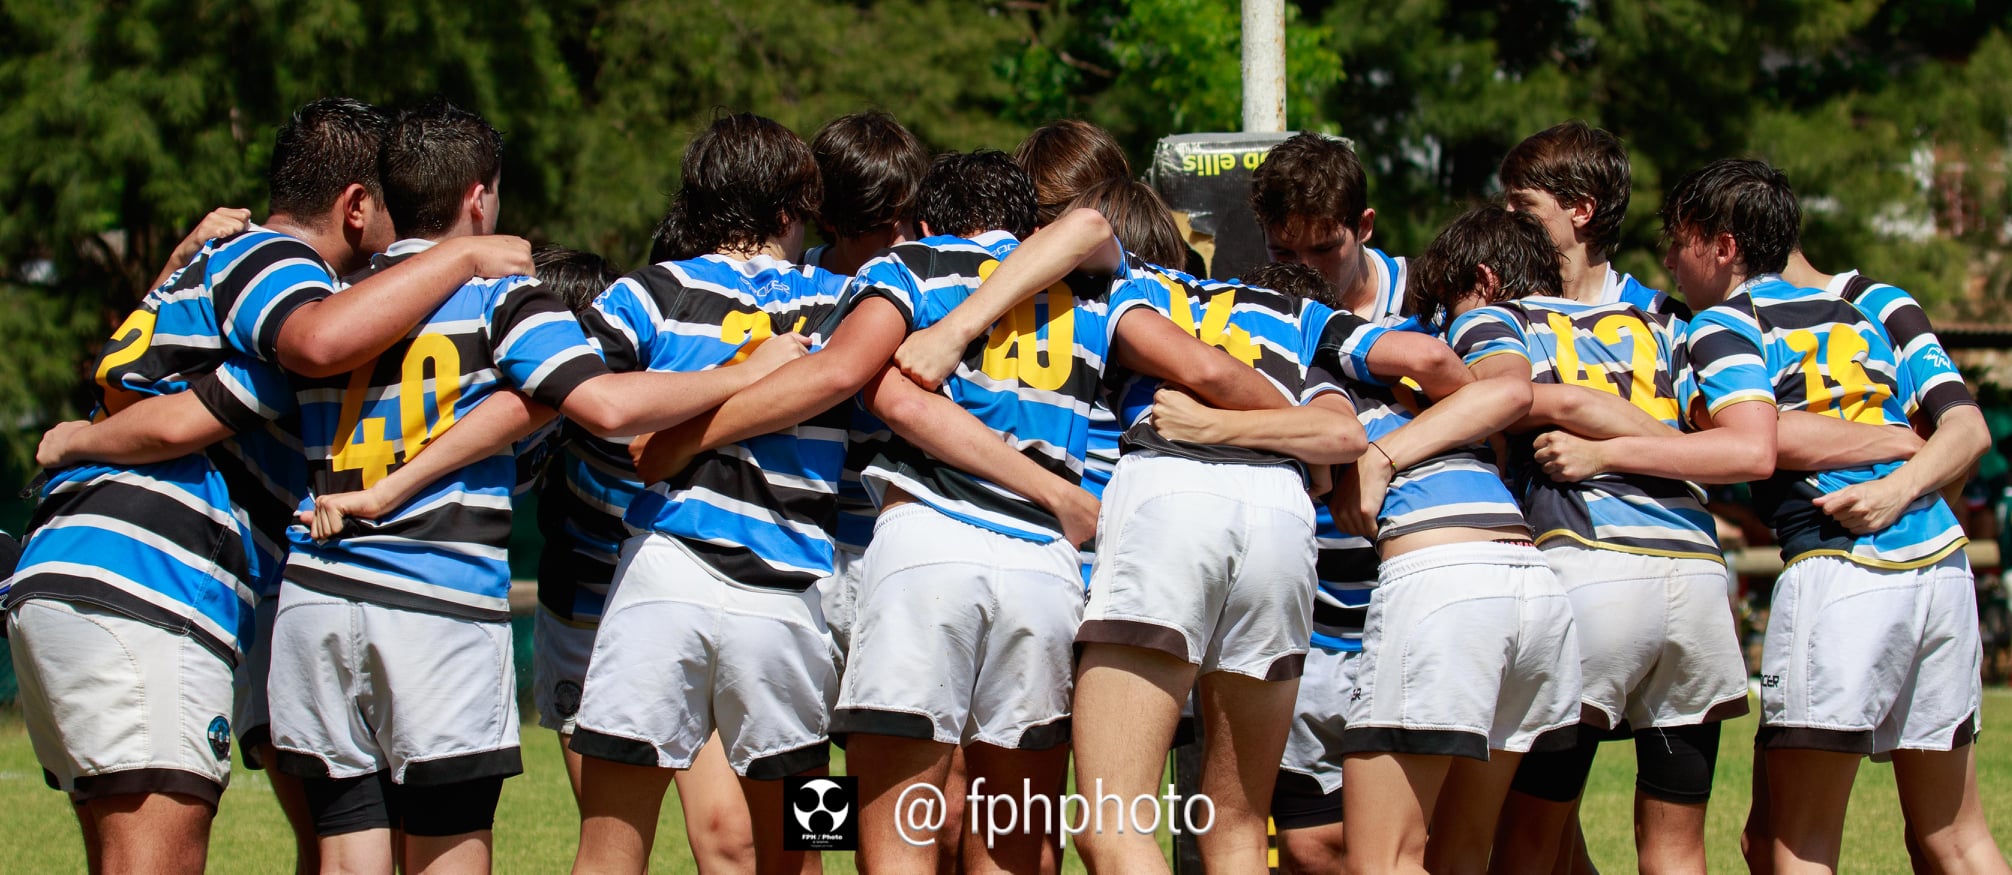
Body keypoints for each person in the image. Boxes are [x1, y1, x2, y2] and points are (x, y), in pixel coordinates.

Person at [8, 97, 534, 875]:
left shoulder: (217, 264)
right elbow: (315, 342)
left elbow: (147, 385)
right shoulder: (279, 262)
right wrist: (459, 257)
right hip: (147, 577)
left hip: (99, 567)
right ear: (356, 206)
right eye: (392, 201)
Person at [1534, 158, 2008, 875]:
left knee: (1793, 844)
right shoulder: (1861, 313)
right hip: (1941, 561)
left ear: (1723, 246)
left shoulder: (1722, 325)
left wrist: (1606, 450)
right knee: (1957, 837)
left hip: (1840, 565)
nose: (1667, 261)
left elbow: (1748, 445)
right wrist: (1895, 450)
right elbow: (1942, 432)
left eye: (1680, 240)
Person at [1422, 204, 1750, 875]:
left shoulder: (1497, 315)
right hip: (1696, 572)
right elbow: (1726, 440)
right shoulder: (1667, 319)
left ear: (1484, 278)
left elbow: (1500, 397)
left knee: (1530, 832)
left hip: (1588, 568)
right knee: (1678, 844)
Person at [1330, 206, 1584, 875]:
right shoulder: (1563, 329)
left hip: (1444, 579)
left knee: (1384, 859)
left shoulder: (1477, 318)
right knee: (1460, 853)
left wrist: (1382, 457)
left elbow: (1506, 391)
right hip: (1527, 580)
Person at [1498, 121, 1677, 314]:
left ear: (1582, 210)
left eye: (1524, 203)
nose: (1508, 213)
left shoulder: (1658, 316)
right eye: (1508, 202)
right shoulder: (1504, 311)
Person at [1249, 133, 1405, 319]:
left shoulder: (1427, 304)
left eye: (1323, 249)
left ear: (1363, 226)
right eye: (1283, 253)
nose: (1305, 268)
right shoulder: (1242, 309)